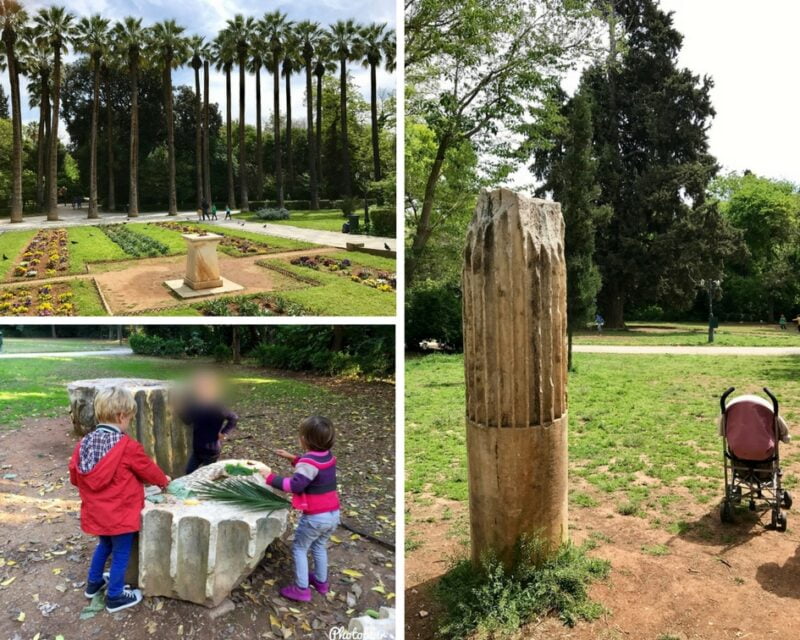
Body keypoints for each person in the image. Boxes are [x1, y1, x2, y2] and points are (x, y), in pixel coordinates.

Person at [68, 387, 169, 613]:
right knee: (121, 551)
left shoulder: (84, 444)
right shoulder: (127, 447)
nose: (129, 423)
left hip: (97, 511)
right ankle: (115, 596)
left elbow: (75, 476)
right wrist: (163, 480)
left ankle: (93, 584)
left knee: (104, 544)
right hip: (121, 513)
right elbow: (148, 470)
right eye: (130, 419)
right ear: (122, 416)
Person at [263, 416, 341, 603]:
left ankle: (301, 589)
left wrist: (270, 477)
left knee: (299, 548)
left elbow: (295, 485)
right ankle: (321, 583)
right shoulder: (328, 456)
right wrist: (293, 458)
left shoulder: (308, 463)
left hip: (315, 518)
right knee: (319, 546)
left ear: (304, 439)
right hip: (333, 514)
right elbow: (314, 471)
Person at [179, 371, 238, 474]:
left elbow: (233, 418)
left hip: (211, 451)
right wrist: (180, 411)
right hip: (197, 450)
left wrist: (224, 433)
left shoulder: (217, 407)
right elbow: (187, 421)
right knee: (189, 472)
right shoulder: (195, 406)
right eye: (198, 388)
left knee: (206, 477)